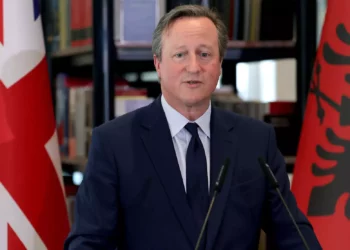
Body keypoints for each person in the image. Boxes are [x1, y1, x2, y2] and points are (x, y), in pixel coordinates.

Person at [64, 4, 322, 250]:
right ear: (158, 65)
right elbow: (89, 242)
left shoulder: (256, 140)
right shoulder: (113, 143)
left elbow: (293, 234)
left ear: (220, 64)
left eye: (205, 54)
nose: (193, 67)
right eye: (180, 55)